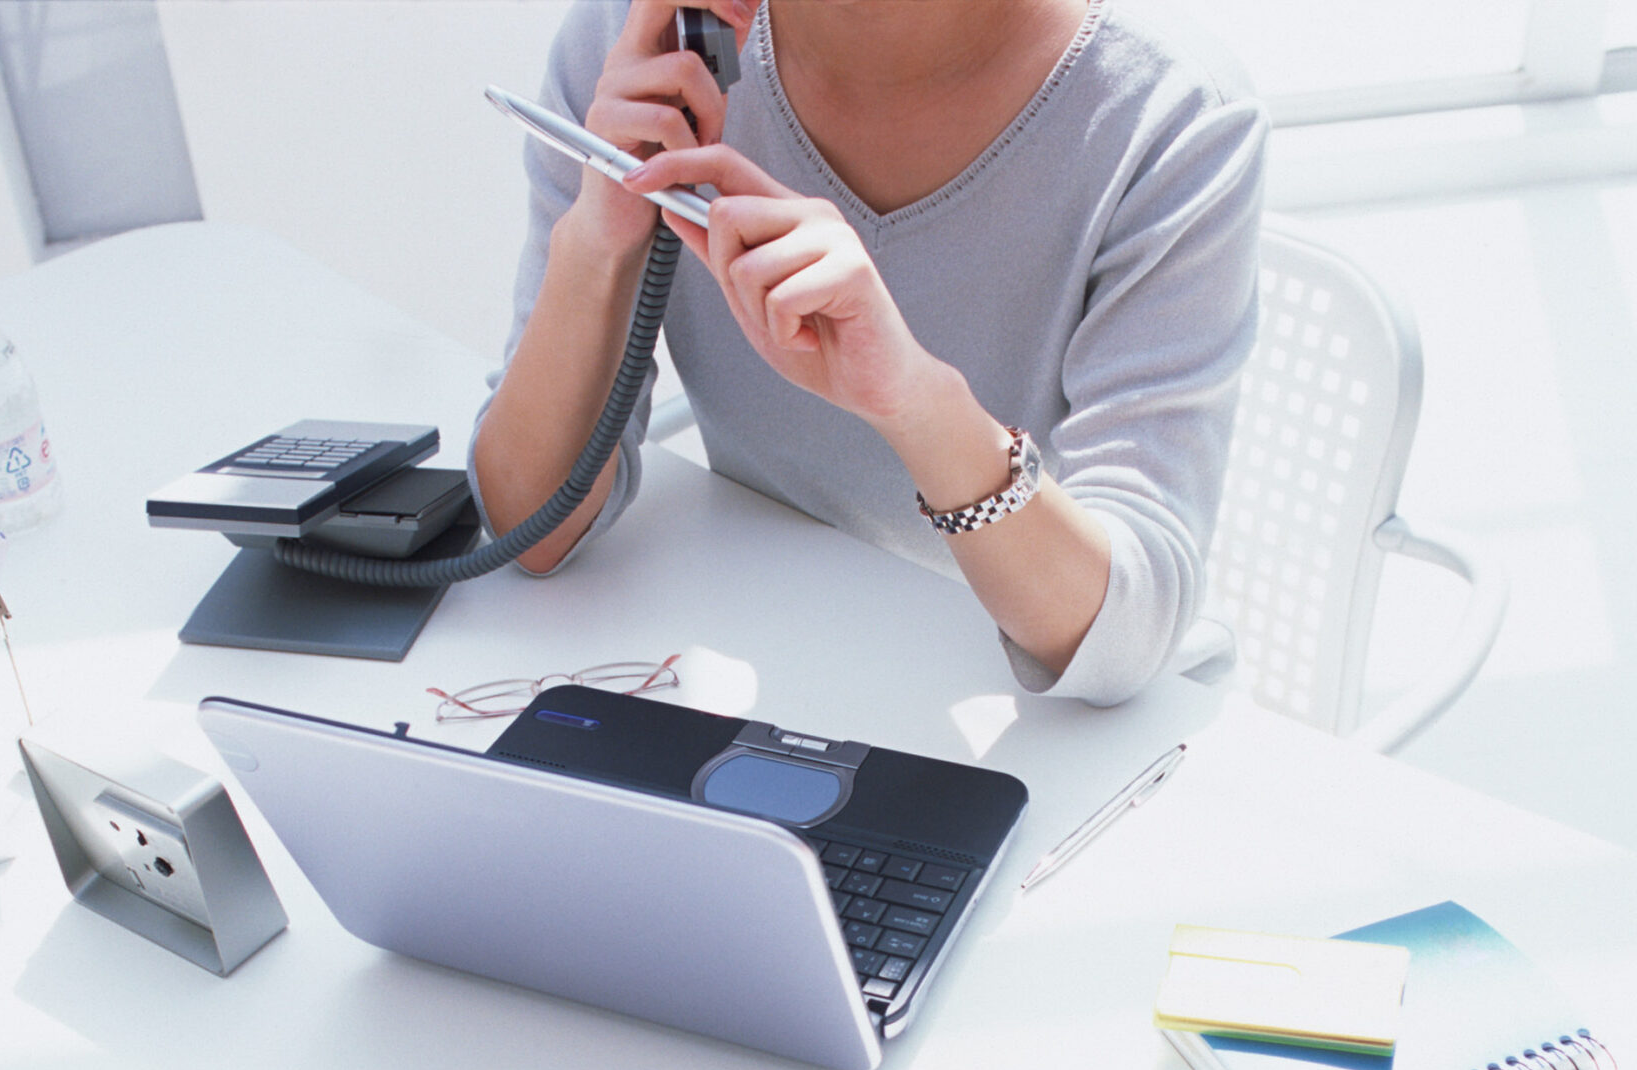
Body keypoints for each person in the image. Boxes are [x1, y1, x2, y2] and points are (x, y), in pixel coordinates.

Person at [469, 0, 1266, 703]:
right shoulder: (647, 40)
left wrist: (916, 403)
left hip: (1080, 742)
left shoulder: (1171, 112)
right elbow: (530, 529)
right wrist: (600, 236)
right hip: (799, 681)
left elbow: (1124, 633)